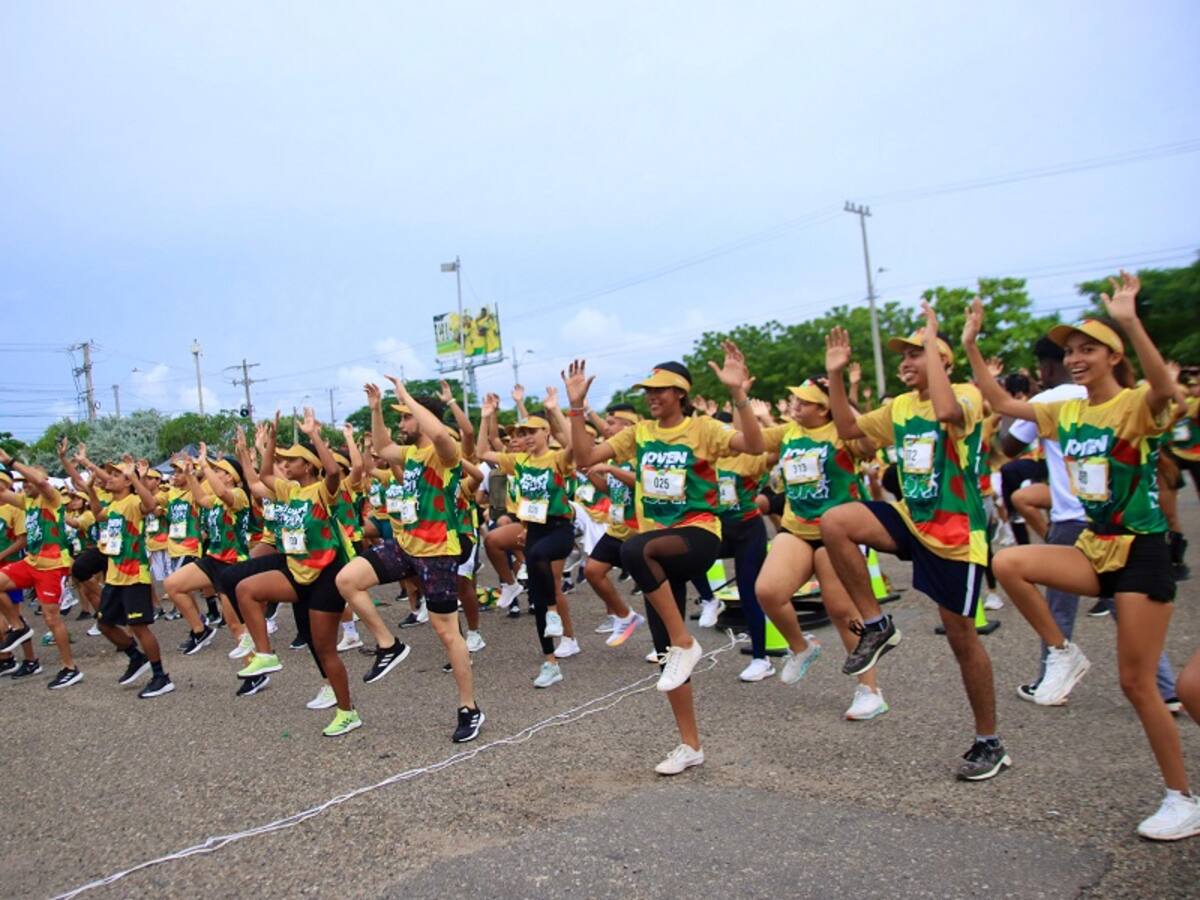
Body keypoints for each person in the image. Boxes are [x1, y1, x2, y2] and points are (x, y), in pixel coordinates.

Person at [966, 275, 1198, 839]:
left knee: (1137, 684)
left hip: (1141, 552)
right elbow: (1001, 404)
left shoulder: (1134, 405)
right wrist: (971, 344)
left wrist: (1130, 321)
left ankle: (1181, 798)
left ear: (1113, 356)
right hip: (1095, 546)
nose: (1074, 359)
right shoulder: (1066, 411)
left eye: (1087, 349)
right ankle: (1062, 651)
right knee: (1010, 564)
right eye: (1069, 351)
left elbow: (1164, 391)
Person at [821, 307, 1008, 781]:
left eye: (916, 354)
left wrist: (935, 341)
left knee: (962, 641)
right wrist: (835, 377)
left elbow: (946, 413)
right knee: (836, 522)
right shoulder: (901, 406)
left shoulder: (966, 395)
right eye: (903, 355)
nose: (906, 362)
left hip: (956, 533)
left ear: (942, 361)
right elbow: (849, 431)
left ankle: (989, 741)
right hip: (913, 518)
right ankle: (876, 624)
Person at [565, 343, 763, 775]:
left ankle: (686, 642)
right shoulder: (639, 434)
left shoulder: (703, 429)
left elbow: (754, 442)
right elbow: (584, 459)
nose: (652, 396)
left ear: (680, 393)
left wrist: (738, 395)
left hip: (697, 534)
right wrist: (576, 408)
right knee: (665, 654)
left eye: (660, 389)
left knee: (634, 548)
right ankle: (690, 744)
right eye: (648, 390)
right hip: (655, 549)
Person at [754, 378, 887, 718]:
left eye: (804, 402)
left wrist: (842, 392)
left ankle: (869, 689)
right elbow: (753, 444)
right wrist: (740, 395)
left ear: (824, 408)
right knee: (768, 591)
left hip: (837, 532)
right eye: (794, 400)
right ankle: (801, 647)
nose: (795, 406)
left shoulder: (842, 433)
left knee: (842, 610)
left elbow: (869, 445)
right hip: (797, 528)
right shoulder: (788, 432)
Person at [233, 410, 362, 736]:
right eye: (284, 460)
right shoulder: (288, 491)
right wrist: (271, 442)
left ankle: (347, 712)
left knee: (324, 650)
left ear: (308, 465)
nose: (286, 465)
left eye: (292, 461)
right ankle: (265, 654)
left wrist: (313, 434)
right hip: (296, 570)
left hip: (325, 574)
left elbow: (333, 471)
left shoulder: (322, 491)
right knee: (246, 589)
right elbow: (264, 475)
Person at [479, 398, 576, 688]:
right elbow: (482, 452)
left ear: (547, 432)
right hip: (532, 529)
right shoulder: (518, 461)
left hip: (559, 529)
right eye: (522, 433)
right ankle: (550, 662)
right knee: (537, 592)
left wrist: (556, 410)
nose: (526, 437)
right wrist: (485, 416)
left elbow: (576, 444)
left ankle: (555, 613)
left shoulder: (557, 458)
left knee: (538, 557)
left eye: (532, 431)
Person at [90, 457, 175, 698]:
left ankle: (161, 676)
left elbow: (149, 504)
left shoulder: (133, 501)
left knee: (139, 627)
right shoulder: (114, 505)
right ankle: (136, 657)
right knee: (104, 624)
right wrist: (90, 491)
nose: (109, 478)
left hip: (134, 574)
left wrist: (136, 477)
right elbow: (98, 514)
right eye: (110, 474)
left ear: (127, 481)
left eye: (116, 475)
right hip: (114, 576)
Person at [0, 449, 83, 689]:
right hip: (32, 562)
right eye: (22, 482)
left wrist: (11, 461)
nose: (25, 484)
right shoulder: (27, 501)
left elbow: (40, 482)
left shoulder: (52, 498)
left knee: (51, 618)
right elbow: (3, 493)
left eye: (28, 480)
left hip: (52, 566)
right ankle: (19, 626)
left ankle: (70, 667)